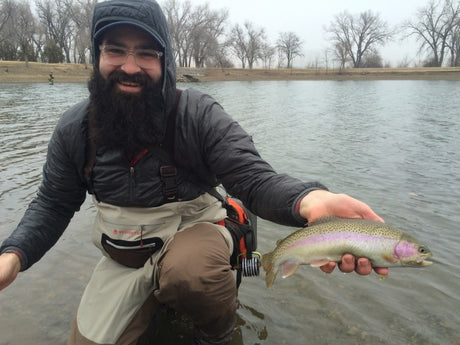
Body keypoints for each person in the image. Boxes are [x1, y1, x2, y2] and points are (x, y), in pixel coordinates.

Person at [0, 1, 388, 344]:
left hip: (196, 235)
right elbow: (52, 204)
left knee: (191, 274)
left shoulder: (197, 115)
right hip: (127, 255)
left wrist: (308, 199)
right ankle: (150, 299)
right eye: (115, 50)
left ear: (164, 60)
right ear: (97, 55)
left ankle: (216, 333)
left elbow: (252, 178)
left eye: (146, 54)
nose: (130, 67)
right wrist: (14, 254)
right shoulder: (74, 130)